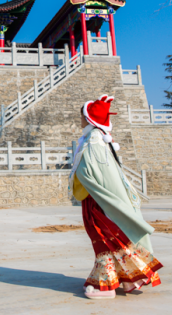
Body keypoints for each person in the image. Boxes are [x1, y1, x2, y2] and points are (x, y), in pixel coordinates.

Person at [70, 95, 162, 300]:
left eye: (81, 117)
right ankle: (119, 278)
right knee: (108, 239)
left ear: (88, 118)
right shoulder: (98, 138)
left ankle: (107, 286)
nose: (80, 121)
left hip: (99, 201)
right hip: (99, 198)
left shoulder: (94, 140)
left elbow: (93, 173)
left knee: (104, 238)